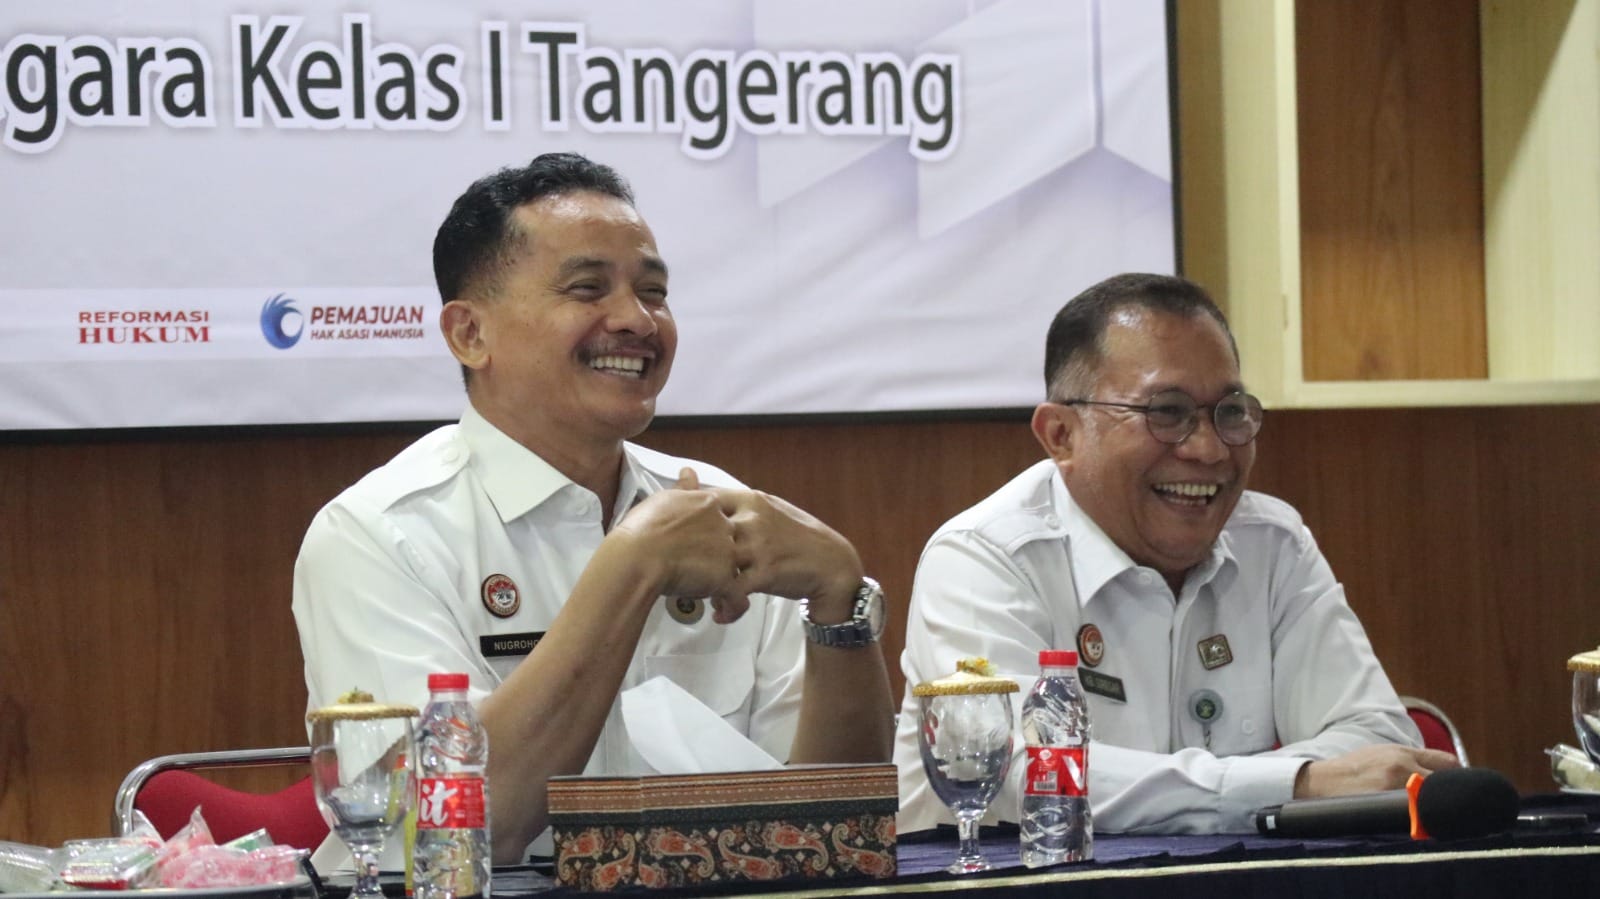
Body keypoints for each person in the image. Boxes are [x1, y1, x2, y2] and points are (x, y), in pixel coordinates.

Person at [293, 152, 894, 866]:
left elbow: (837, 836)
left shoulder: (725, 514)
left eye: (654, 292)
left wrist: (839, 602)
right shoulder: (377, 535)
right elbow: (446, 840)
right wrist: (631, 566)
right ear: (469, 334)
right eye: (587, 288)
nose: (637, 320)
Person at [894, 273, 1455, 834]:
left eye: (1230, 412)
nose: (1209, 449)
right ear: (1061, 434)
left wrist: (1237, 788)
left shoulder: (1271, 543)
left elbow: (1379, 741)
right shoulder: (982, 558)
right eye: (1166, 412)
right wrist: (1296, 785)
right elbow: (1013, 775)